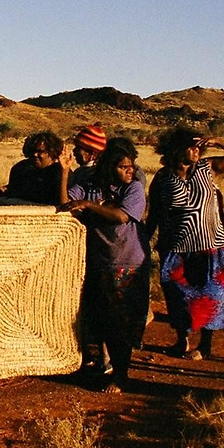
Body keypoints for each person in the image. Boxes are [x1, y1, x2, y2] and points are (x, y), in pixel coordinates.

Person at [148, 127, 224, 359]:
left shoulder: (207, 168)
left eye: (199, 147)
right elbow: (154, 214)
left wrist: (218, 141)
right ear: (176, 150)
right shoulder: (162, 178)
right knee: (178, 296)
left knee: (210, 295)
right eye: (191, 147)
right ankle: (181, 340)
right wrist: (145, 240)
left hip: (211, 245)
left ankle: (204, 346)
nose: (196, 151)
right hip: (177, 247)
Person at [61, 144, 151, 392]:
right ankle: (108, 368)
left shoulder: (133, 189)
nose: (129, 172)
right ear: (109, 167)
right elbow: (66, 203)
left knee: (121, 323)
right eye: (123, 167)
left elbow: (121, 216)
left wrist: (88, 206)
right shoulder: (90, 184)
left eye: (130, 167)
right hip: (100, 260)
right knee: (102, 320)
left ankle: (121, 375)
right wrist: (64, 171)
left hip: (128, 260)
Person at [4, 131, 68, 205]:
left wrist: (64, 172)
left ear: (52, 152)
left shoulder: (60, 172)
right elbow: (11, 195)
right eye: (32, 150)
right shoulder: (21, 169)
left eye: (40, 151)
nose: (35, 154)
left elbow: (64, 203)